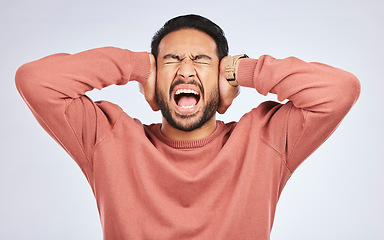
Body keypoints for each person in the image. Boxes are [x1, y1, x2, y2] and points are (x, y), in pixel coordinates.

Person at [15, 14, 360, 240]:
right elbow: (36, 81)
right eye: (170, 60)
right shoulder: (109, 138)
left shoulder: (264, 139)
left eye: (201, 60)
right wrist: (134, 65)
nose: (185, 69)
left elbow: (339, 91)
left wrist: (243, 70)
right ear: (153, 81)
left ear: (222, 78)